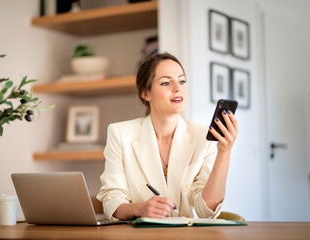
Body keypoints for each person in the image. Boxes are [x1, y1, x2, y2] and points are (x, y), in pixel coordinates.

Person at [97, 52, 238, 220]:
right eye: (165, 83)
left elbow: (206, 211)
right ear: (146, 93)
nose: (177, 88)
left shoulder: (203, 138)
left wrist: (224, 152)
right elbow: (111, 202)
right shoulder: (120, 134)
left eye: (182, 81)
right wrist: (140, 209)